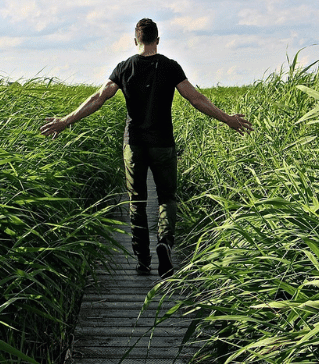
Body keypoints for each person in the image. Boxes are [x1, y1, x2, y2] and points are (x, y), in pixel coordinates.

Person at [40, 18, 253, 278]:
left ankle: (142, 260)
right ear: (158, 40)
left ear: (135, 40)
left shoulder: (124, 67)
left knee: (137, 201)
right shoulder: (170, 67)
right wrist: (228, 119)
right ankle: (165, 243)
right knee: (166, 198)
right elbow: (196, 99)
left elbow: (98, 98)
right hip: (163, 144)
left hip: (134, 145)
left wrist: (64, 121)